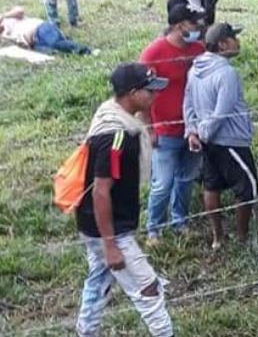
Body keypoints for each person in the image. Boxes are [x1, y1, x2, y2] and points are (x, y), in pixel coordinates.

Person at [75, 63, 174, 337]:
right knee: (148, 288)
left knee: (99, 278)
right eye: (149, 91)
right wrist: (111, 245)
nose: (155, 96)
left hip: (94, 222)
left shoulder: (119, 117)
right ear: (132, 93)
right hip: (108, 228)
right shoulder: (116, 136)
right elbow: (100, 191)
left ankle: (87, 331)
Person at [184, 23, 256, 249]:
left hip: (208, 142)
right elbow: (222, 111)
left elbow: (187, 104)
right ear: (223, 44)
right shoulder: (227, 73)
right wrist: (205, 132)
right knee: (247, 188)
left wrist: (192, 131)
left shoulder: (194, 69)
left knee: (211, 186)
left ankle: (218, 237)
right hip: (231, 140)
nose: (238, 42)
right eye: (234, 38)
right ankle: (242, 238)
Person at [140, 4, 206, 244]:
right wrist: (149, 129)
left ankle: (180, 221)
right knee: (163, 183)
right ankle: (153, 228)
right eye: (193, 23)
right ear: (180, 26)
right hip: (165, 130)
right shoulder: (153, 54)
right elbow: (141, 95)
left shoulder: (199, 49)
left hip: (193, 129)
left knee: (186, 178)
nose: (198, 27)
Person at [0, 6, 91, 55]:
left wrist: (3, 16)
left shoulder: (8, 18)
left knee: (54, 44)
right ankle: (65, 42)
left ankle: (86, 50)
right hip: (36, 42)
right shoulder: (4, 36)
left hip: (40, 29)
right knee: (52, 51)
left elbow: (20, 11)